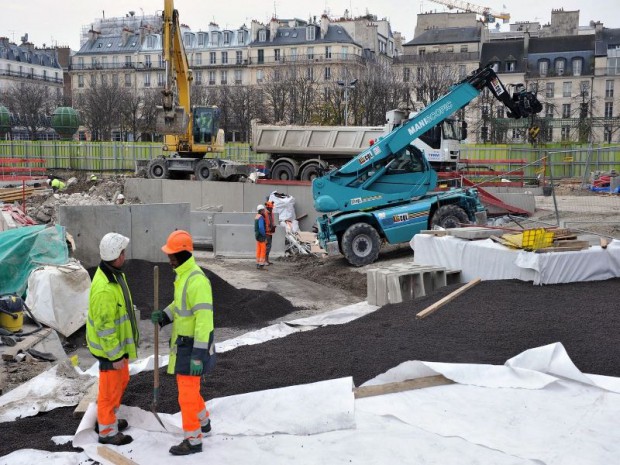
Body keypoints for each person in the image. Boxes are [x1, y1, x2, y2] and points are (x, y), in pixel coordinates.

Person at [151, 230, 216, 456]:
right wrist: (165, 316)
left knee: (186, 395)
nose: (169, 258)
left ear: (184, 254)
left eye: (173, 255)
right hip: (184, 345)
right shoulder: (183, 276)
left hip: (192, 347)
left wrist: (198, 354)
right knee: (190, 390)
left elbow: (204, 321)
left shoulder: (197, 281)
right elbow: (180, 305)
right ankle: (204, 422)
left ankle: (193, 440)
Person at [86, 232, 139, 446]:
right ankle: (107, 431)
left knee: (122, 380)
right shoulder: (104, 289)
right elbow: (104, 327)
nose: (125, 256)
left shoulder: (115, 274)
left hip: (119, 346)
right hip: (110, 350)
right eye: (123, 252)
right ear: (116, 256)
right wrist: (115, 354)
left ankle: (109, 418)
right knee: (108, 390)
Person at [263, 201, 276, 265]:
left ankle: (267, 260)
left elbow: (271, 222)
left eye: (272, 208)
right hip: (266, 233)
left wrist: (273, 227)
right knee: (267, 247)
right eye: (271, 208)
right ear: (267, 207)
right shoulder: (265, 214)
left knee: (269, 246)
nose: (272, 209)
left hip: (270, 232)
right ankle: (265, 260)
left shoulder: (271, 213)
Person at [255, 205, 267, 270]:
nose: (264, 211)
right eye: (263, 210)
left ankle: (257, 263)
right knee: (263, 250)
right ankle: (261, 264)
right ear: (261, 210)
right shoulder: (261, 217)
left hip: (257, 236)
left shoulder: (256, 216)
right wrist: (264, 234)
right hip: (261, 236)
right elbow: (261, 227)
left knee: (258, 250)